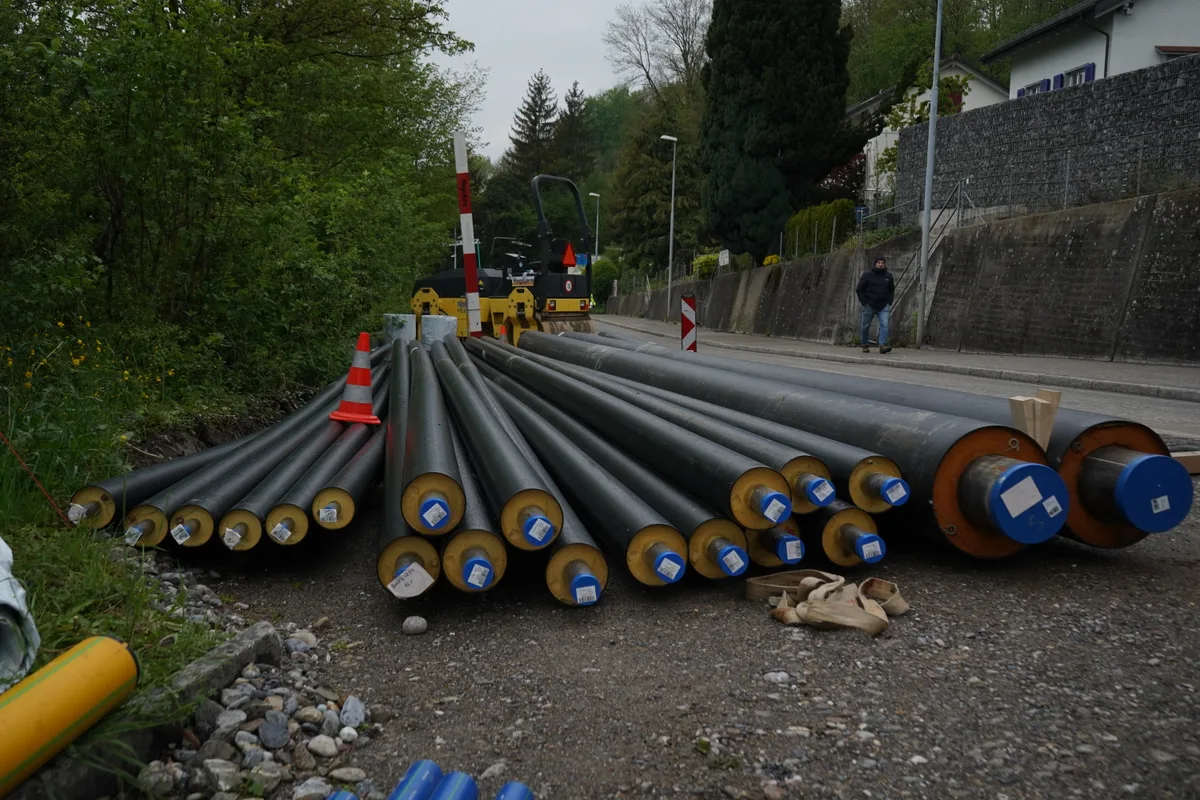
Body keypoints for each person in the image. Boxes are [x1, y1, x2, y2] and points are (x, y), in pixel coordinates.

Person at [856, 257, 894, 354]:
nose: (881, 264)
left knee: (885, 324)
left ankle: (882, 345)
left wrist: (889, 301)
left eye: (882, 263)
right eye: (879, 262)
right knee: (865, 325)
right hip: (869, 305)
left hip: (883, 305)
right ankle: (864, 344)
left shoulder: (888, 276)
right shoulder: (867, 275)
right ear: (875, 264)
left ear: (885, 264)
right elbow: (859, 289)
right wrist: (864, 302)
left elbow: (891, 290)